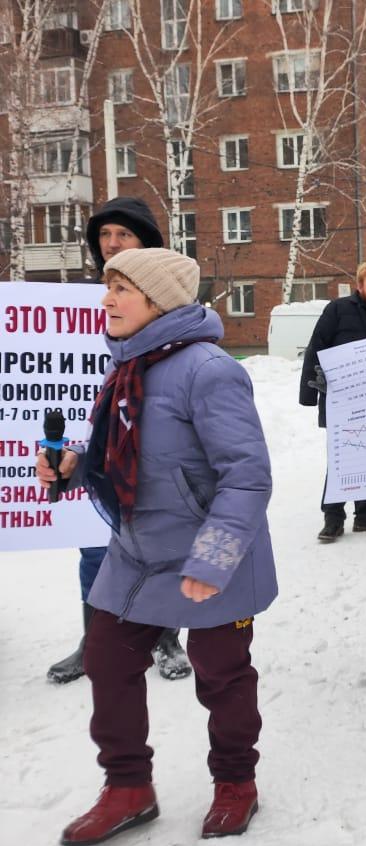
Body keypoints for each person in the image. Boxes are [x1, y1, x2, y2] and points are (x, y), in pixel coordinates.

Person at [36, 248, 277, 846]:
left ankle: (235, 783)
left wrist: (213, 560)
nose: (106, 299)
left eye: (121, 288)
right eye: (107, 286)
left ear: (160, 299)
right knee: (108, 659)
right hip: (139, 552)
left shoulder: (210, 370)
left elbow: (247, 476)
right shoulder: (126, 367)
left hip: (215, 555)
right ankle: (127, 788)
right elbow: (124, 456)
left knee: (221, 674)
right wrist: (73, 468)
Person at [48, 196, 192, 684]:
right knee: (94, 549)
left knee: (158, 546)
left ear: (146, 243)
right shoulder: (71, 302)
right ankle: (95, 639)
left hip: (147, 443)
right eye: (105, 235)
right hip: (95, 443)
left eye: (123, 235)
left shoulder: (167, 306)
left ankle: (166, 634)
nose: (111, 243)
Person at [299, 259, 366, 543]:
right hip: (342, 401)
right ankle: (333, 517)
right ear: (360, 286)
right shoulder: (338, 310)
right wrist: (308, 393)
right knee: (343, 459)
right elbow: (316, 347)